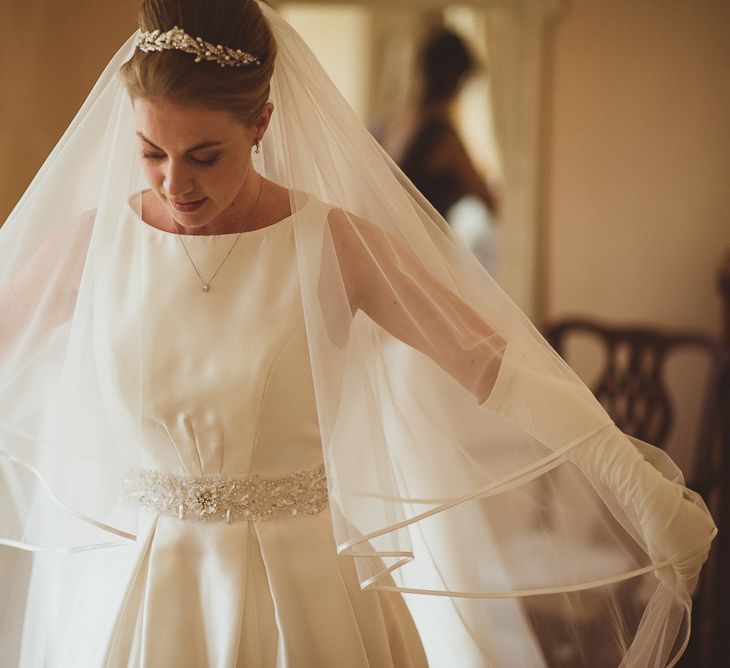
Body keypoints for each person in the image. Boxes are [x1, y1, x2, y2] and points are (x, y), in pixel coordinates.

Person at [0, 1, 715, 666]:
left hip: (306, 594)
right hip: (147, 590)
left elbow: (490, 364)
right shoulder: (92, 245)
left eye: (204, 155)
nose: (173, 184)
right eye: (151, 151)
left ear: (261, 124)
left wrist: (639, 491)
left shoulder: (333, 244)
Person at [379, 28, 499, 220]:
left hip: (388, 234)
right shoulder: (444, 138)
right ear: (456, 80)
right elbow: (491, 201)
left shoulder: (395, 121)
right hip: (419, 244)